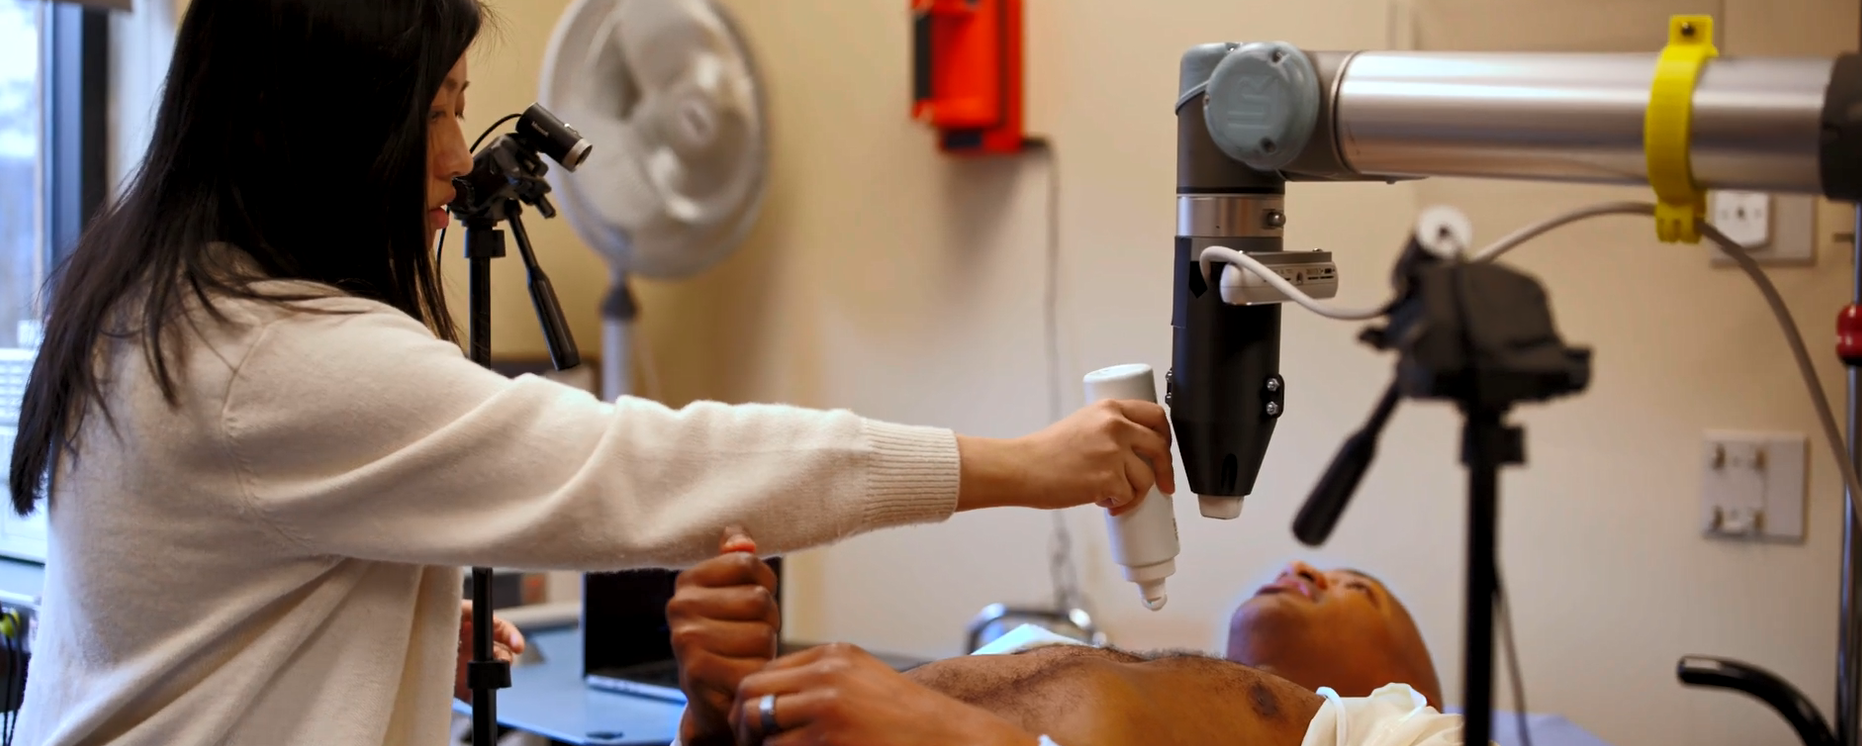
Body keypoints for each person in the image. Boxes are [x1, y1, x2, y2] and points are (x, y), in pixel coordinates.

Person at [6, 2, 1177, 744]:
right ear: (312, 125)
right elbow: (646, 467)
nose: (461, 157)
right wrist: (1029, 464)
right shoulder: (271, 360)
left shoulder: (152, 305)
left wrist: (387, 622)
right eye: (441, 109)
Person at [668, 530, 1460, 746]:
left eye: (1360, 589)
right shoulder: (1151, 677)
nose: (1299, 567)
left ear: (1413, 690)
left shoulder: (1408, 731)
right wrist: (717, 712)